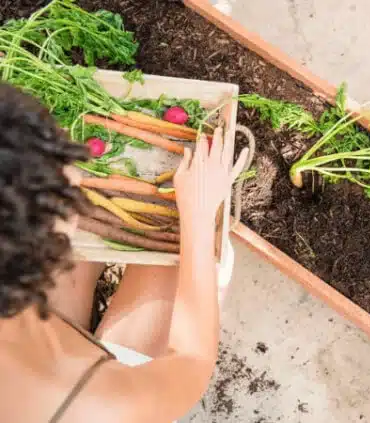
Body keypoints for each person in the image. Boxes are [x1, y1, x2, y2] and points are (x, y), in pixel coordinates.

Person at [0, 83, 250, 422]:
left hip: (29, 350)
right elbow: (191, 362)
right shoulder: (95, 409)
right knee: (184, 257)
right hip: (78, 392)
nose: (75, 172)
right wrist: (199, 216)